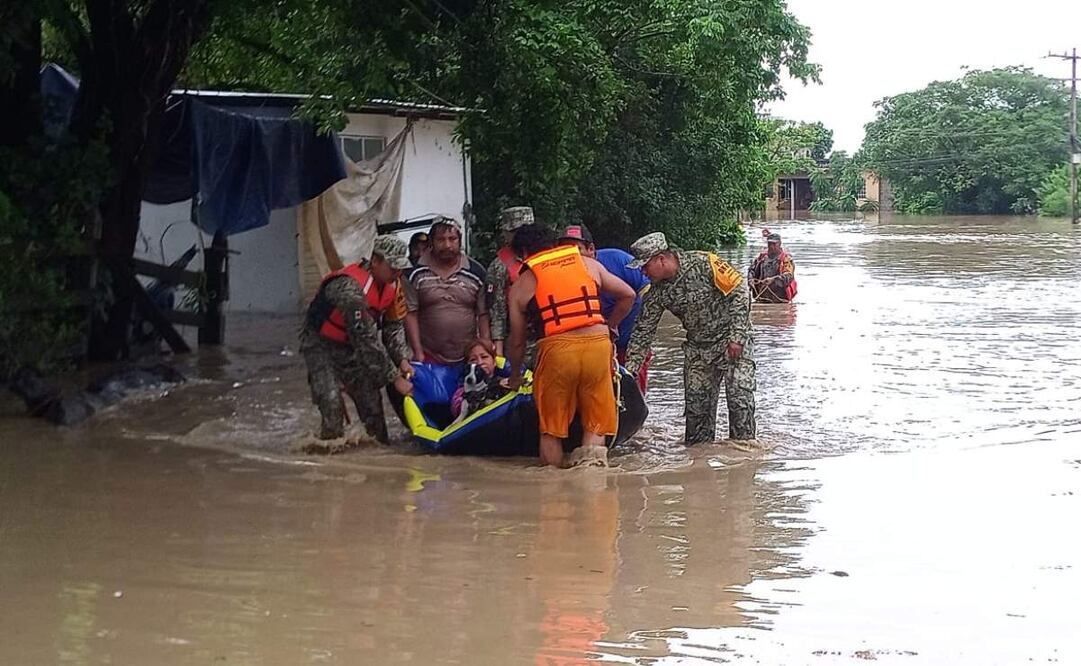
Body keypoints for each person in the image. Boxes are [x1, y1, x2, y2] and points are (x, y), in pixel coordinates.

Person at [506, 226, 636, 467]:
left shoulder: (521, 284)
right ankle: (592, 484)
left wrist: (515, 376)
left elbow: (517, 340)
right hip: (598, 346)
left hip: (557, 351)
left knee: (551, 430)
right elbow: (628, 294)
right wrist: (610, 326)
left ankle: (556, 492)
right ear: (553, 245)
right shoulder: (587, 263)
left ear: (523, 253)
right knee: (596, 423)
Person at [623, 232, 757, 444]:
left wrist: (737, 336)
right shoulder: (656, 293)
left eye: (645, 265)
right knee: (697, 413)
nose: (642, 271)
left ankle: (743, 456)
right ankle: (700, 465)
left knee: (739, 400)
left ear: (661, 258)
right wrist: (629, 372)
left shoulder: (705, 263)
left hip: (731, 340)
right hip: (699, 349)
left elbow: (739, 292)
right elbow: (642, 334)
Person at [300, 234, 415, 443]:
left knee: (372, 407)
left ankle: (380, 456)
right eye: (392, 267)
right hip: (321, 345)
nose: (397, 273)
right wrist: (394, 378)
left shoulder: (395, 286)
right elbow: (366, 338)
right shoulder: (349, 289)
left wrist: (402, 359)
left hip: (350, 346)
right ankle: (328, 454)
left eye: (400, 268)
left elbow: (393, 326)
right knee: (332, 404)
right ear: (376, 261)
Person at [559, 224, 652, 393]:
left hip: (629, 342)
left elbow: (646, 290)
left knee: (633, 389)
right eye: (564, 251)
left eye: (577, 249)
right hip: (593, 345)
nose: (571, 256)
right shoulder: (559, 274)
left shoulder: (618, 259)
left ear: (591, 249)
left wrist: (619, 326)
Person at [404, 216, 491, 365]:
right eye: (440, 240)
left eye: (452, 239)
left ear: (460, 240)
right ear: (431, 242)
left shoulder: (476, 272)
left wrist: (484, 348)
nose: (447, 245)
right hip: (429, 356)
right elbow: (410, 314)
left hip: (467, 357)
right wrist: (418, 352)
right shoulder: (414, 273)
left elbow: (483, 314)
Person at [486, 206, 535, 358]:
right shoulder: (499, 266)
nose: (520, 236)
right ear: (505, 234)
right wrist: (498, 353)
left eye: (524, 231)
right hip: (516, 345)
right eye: (514, 232)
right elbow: (497, 312)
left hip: (547, 341)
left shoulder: (545, 256)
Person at [450, 338, 499, 418]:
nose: (479, 362)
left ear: (494, 362)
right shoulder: (462, 392)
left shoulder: (503, 382)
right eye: (473, 360)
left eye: (484, 357)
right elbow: (457, 410)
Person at [747, 231, 797, 303]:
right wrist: (750, 279)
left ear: (779, 244)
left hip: (780, 299)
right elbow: (752, 270)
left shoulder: (786, 259)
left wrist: (773, 280)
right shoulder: (762, 257)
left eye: (774, 244)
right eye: (769, 244)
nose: (771, 246)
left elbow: (788, 276)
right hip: (762, 297)